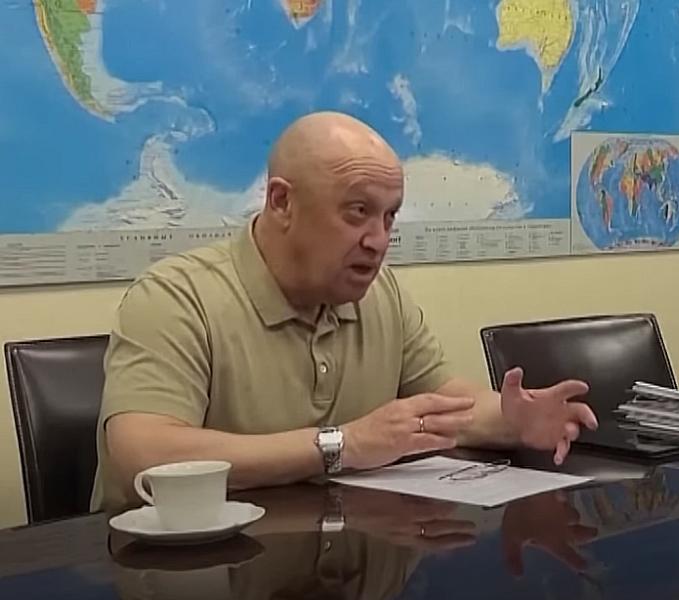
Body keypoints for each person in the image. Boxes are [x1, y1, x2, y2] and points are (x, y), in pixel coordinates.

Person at [92, 111, 598, 511]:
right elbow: (145, 453)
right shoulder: (175, 297)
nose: (378, 241)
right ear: (281, 202)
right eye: (358, 212)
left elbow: (446, 409)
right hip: (175, 568)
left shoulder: (380, 294)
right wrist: (341, 445)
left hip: (332, 558)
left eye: (389, 216)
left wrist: (514, 421)